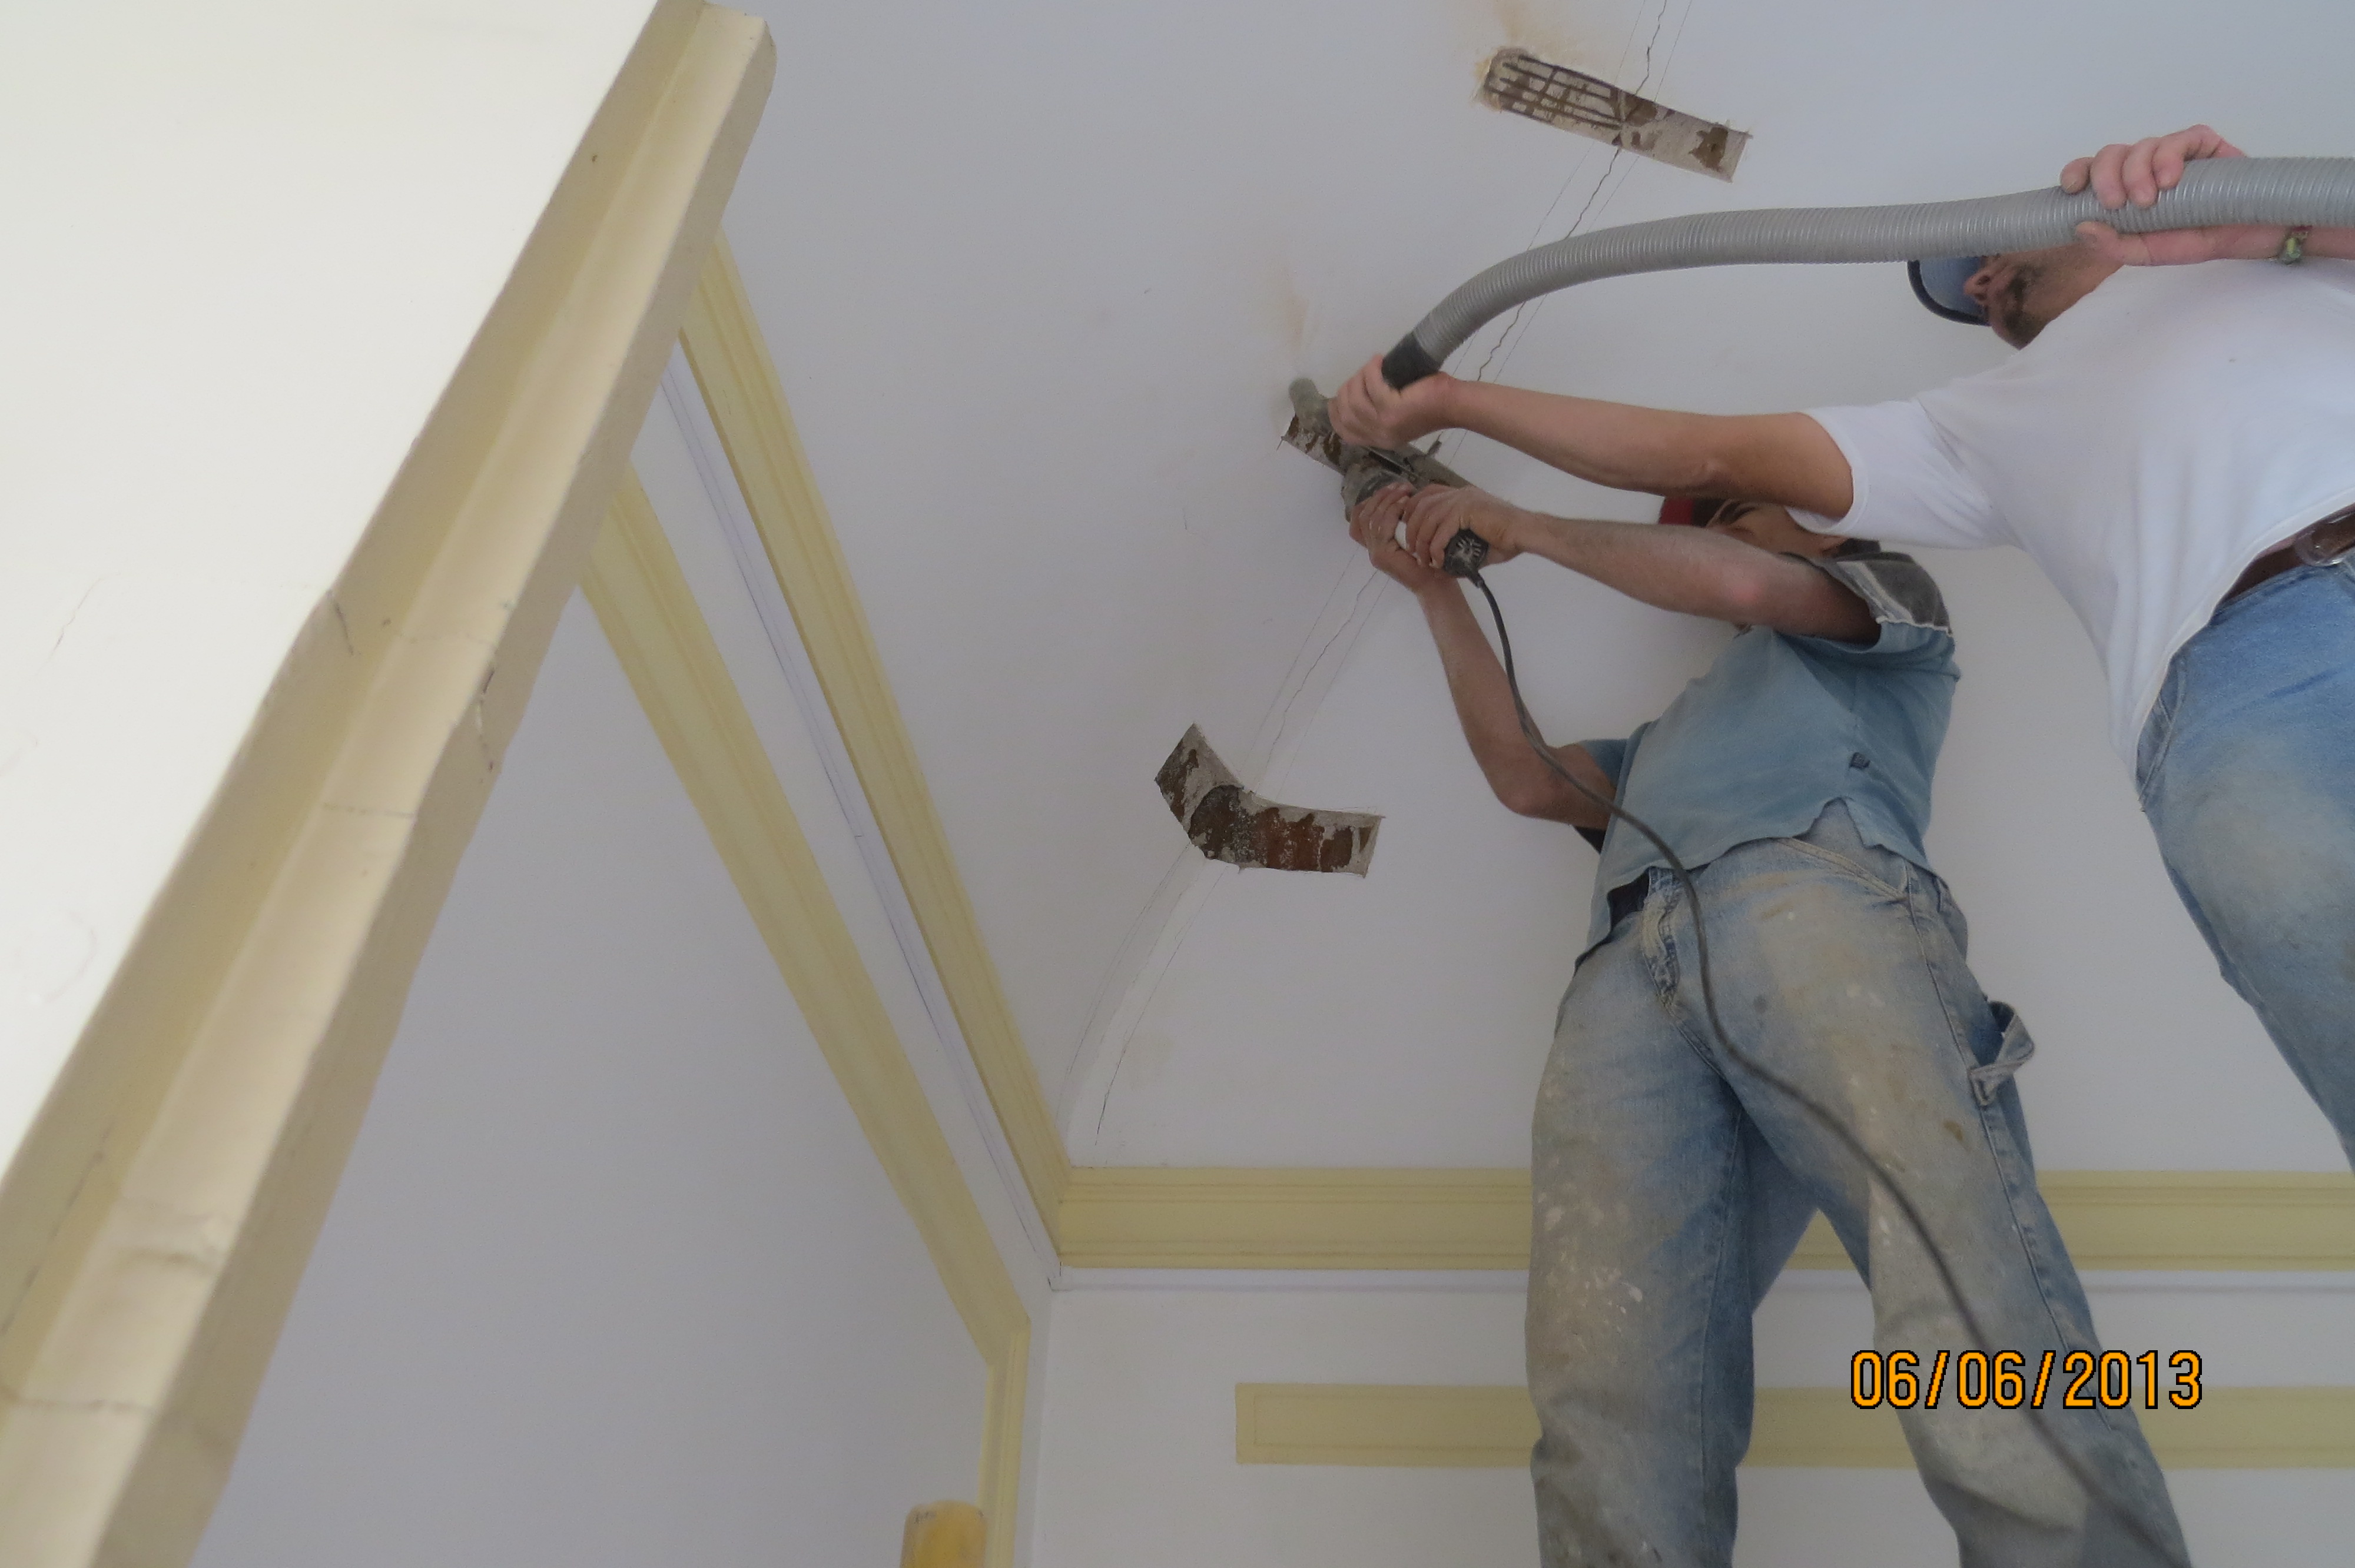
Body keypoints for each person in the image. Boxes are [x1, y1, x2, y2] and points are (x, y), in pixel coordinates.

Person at [1330, 125, 2355, 1172]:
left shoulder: (2296, 257)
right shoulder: (1975, 428)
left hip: (1851, 886)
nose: (1982, 280)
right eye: (1973, 285)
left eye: (1992, 253)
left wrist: (2267, 222)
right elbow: (1702, 460)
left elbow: (1742, 574)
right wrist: (1449, 417)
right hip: (2245, 677)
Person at [1344, 477, 2184, 1567]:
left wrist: (1530, 528)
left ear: (1826, 532)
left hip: (1814, 892)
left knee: (1961, 1297)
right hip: (1625, 965)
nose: (1718, 543)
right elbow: (1528, 777)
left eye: (1737, 514)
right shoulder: (1664, 742)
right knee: (1609, 1377)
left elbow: (1747, 584)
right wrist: (1435, 592)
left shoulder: (1890, 608)